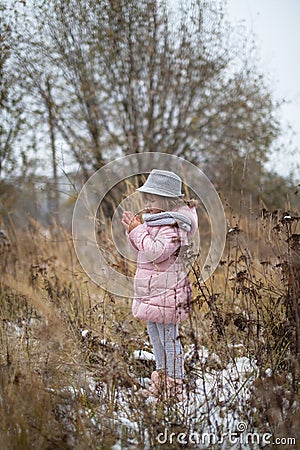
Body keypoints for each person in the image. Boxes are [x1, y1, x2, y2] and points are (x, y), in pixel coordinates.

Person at [121, 169, 198, 402]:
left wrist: (137, 230)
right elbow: (142, 250)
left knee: (169, 340)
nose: (147, 203)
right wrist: (133, 232)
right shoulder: (157, 222)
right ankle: (162, 381)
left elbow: (156, 252)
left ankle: (175, 387)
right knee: (156, 339)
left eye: (152, 199)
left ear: (166, 201)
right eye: (147, 198)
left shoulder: (174, 226)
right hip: (153, 293)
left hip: (167, 294)